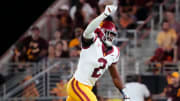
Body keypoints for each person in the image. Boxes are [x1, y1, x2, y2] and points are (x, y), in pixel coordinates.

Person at [66, 5, 130, 101]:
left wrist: (124, 93)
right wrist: (104, 15)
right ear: (101, 32)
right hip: (77, 85)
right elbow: (88, 31)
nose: (111, 37)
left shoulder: (114, 52)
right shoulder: (93, 42)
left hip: (88, 88)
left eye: (113, 35)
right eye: (108, 33)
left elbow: (115, 77)